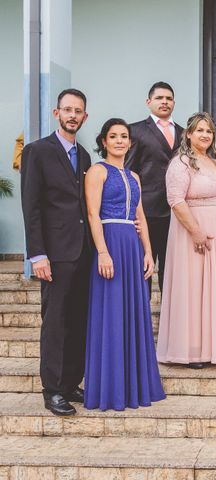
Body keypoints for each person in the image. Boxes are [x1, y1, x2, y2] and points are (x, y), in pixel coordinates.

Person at [84, 118, 165, 411]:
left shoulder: (134, 175)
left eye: (124, 136)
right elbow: (93, 215)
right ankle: (112, 388)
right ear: (104, 141)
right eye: (113, 136)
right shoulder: (97, 171)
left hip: (132, 246)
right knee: (113, 313)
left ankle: (135, 384)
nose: (119, 141)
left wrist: (147, 252)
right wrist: (103, 252)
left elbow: (140, 216)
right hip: (111, 242)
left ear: (130, 142)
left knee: (134, 311)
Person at [20, 89, 93, 416]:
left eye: (78, 111)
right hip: (55, 253)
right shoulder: (37, 151)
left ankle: (69, 383)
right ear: (56, 113)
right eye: (67, 110)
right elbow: (31, 206)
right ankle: (52, 389)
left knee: (78, 320)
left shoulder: (86, 156)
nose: (72, 115)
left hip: (83, 252)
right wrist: (37, 255)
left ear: (85, 117)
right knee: (55, 322)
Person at [157, 112, 216, 368]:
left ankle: (215, 347)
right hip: (192, 233)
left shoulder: (215, 163)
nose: (205, 135)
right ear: (189, 134)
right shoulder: (182, 162)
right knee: (193, 288)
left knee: (215, 288)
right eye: (200, 130)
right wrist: (195, 231)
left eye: (209, 131)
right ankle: (191, 350)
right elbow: (175, 199)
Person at [126, 81, 184, 294]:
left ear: (174, 103)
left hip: (175, 212)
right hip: (146, 212)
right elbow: (128, 171)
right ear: (148, 102)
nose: (164, 102)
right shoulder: (135, 131)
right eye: (159, 98)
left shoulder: (184, 132)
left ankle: (170, 321)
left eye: (169, 98)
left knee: (171, 270)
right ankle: (142, 322)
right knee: (144, 269)